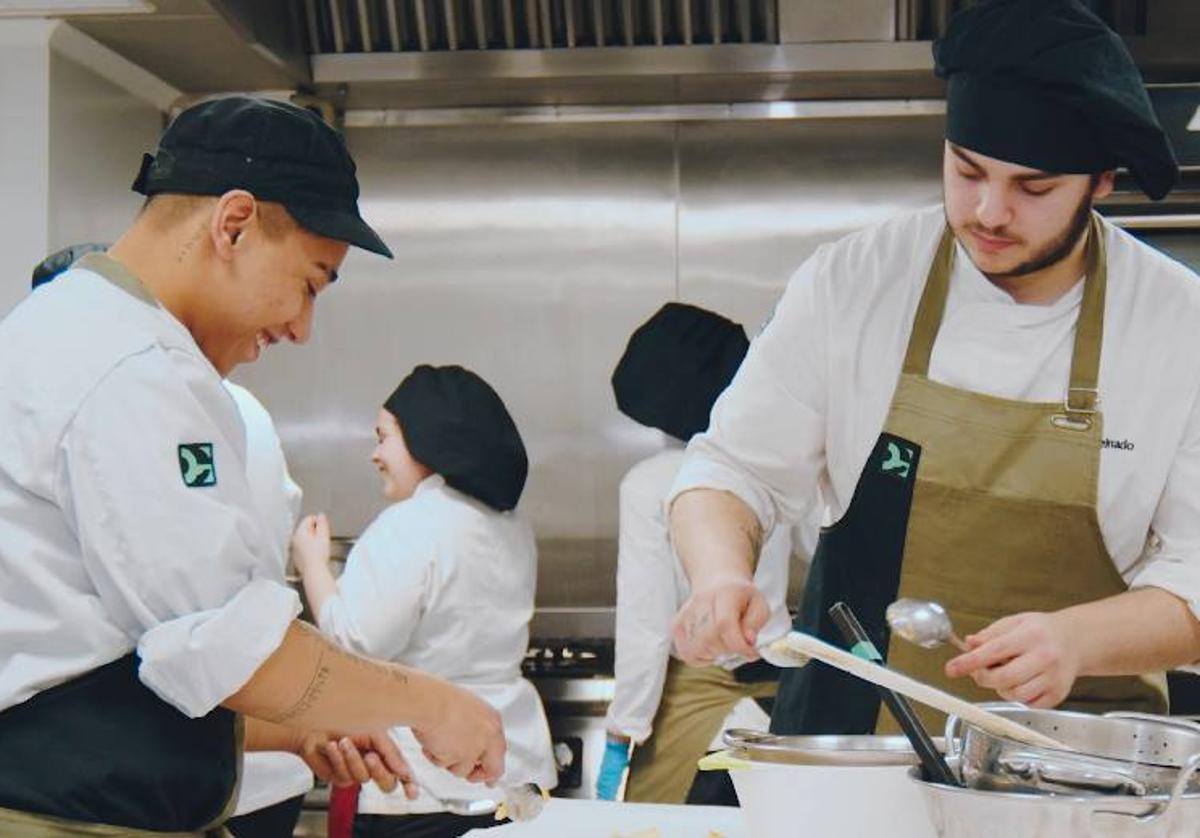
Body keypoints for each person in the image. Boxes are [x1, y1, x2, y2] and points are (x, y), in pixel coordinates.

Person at [667, 0, 1200, 738]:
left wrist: (1078, 640)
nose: (988, 211)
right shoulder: (856, 281)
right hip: (855, 747)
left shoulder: (1179, 325)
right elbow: (732, 469)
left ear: (1101, 182)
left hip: (1076, 767)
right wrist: (721, 575)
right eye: (967, 170)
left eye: (1034, 188)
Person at [0, 96, 505, 836]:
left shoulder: (76, 333)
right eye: (310, 282)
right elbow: (226, 649)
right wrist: (435, 705)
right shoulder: (132, 368)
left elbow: (105, 661)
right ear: (232, 224)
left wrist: (300, 727)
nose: (301, 329)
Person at [31, 244, 316, 838]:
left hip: (154, 781)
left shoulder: (129, 391)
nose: (299, 328)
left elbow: (200, 645)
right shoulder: (220, 406)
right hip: (218, 771)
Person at [293, 364, 557, 838]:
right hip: (515, 770)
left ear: (425, 439)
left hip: (422, 783)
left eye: (383, 438)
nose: (375, 455)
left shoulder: (410, 523)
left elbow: (353, 646)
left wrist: (313, 565)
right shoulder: (511, 525)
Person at [597, 303, 796, 804]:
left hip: (699, 716)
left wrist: (626, 726)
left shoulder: (649, 483)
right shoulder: (774, 469)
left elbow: (646, 621)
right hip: (785, 705)